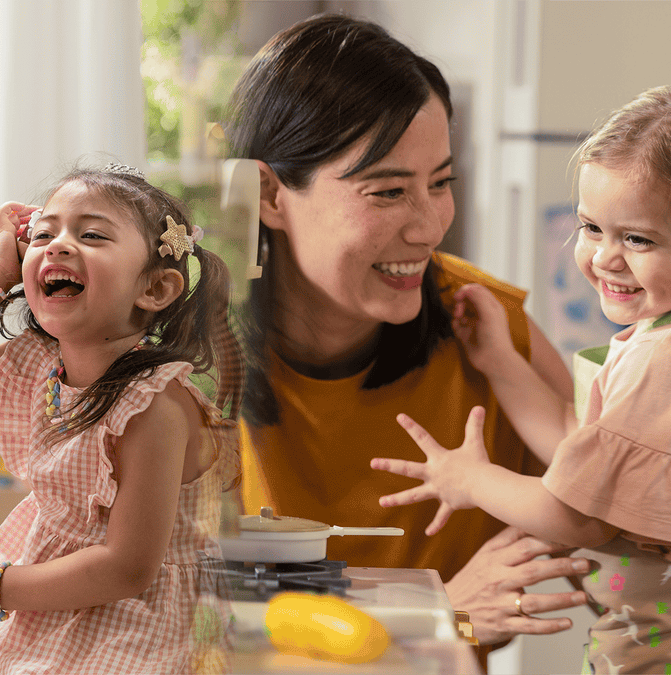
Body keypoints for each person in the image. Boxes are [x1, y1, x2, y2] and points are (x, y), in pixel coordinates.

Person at [378, 86, 671, 674]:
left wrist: (470, 479)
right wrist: (502, 362)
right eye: (591, 228)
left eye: (637, 238)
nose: (605, 257)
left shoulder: (670, 362)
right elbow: (576, 444)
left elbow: (579, 515)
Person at [227, 13, 591, 647]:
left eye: (441, 182)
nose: (429, 227)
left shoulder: (487, 328)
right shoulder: (191, 361)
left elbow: (611, 496)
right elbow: (176, 608)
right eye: (388, 192)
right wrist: (435, 607)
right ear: (269, 194)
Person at [0, 166, 237, 673]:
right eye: (42, 234)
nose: (57, 246)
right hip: (48, 597)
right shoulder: (39, 366)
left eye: (92, 234)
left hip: (136, 613)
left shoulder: (154, 404)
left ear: (156, 289)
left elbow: (128, 568)